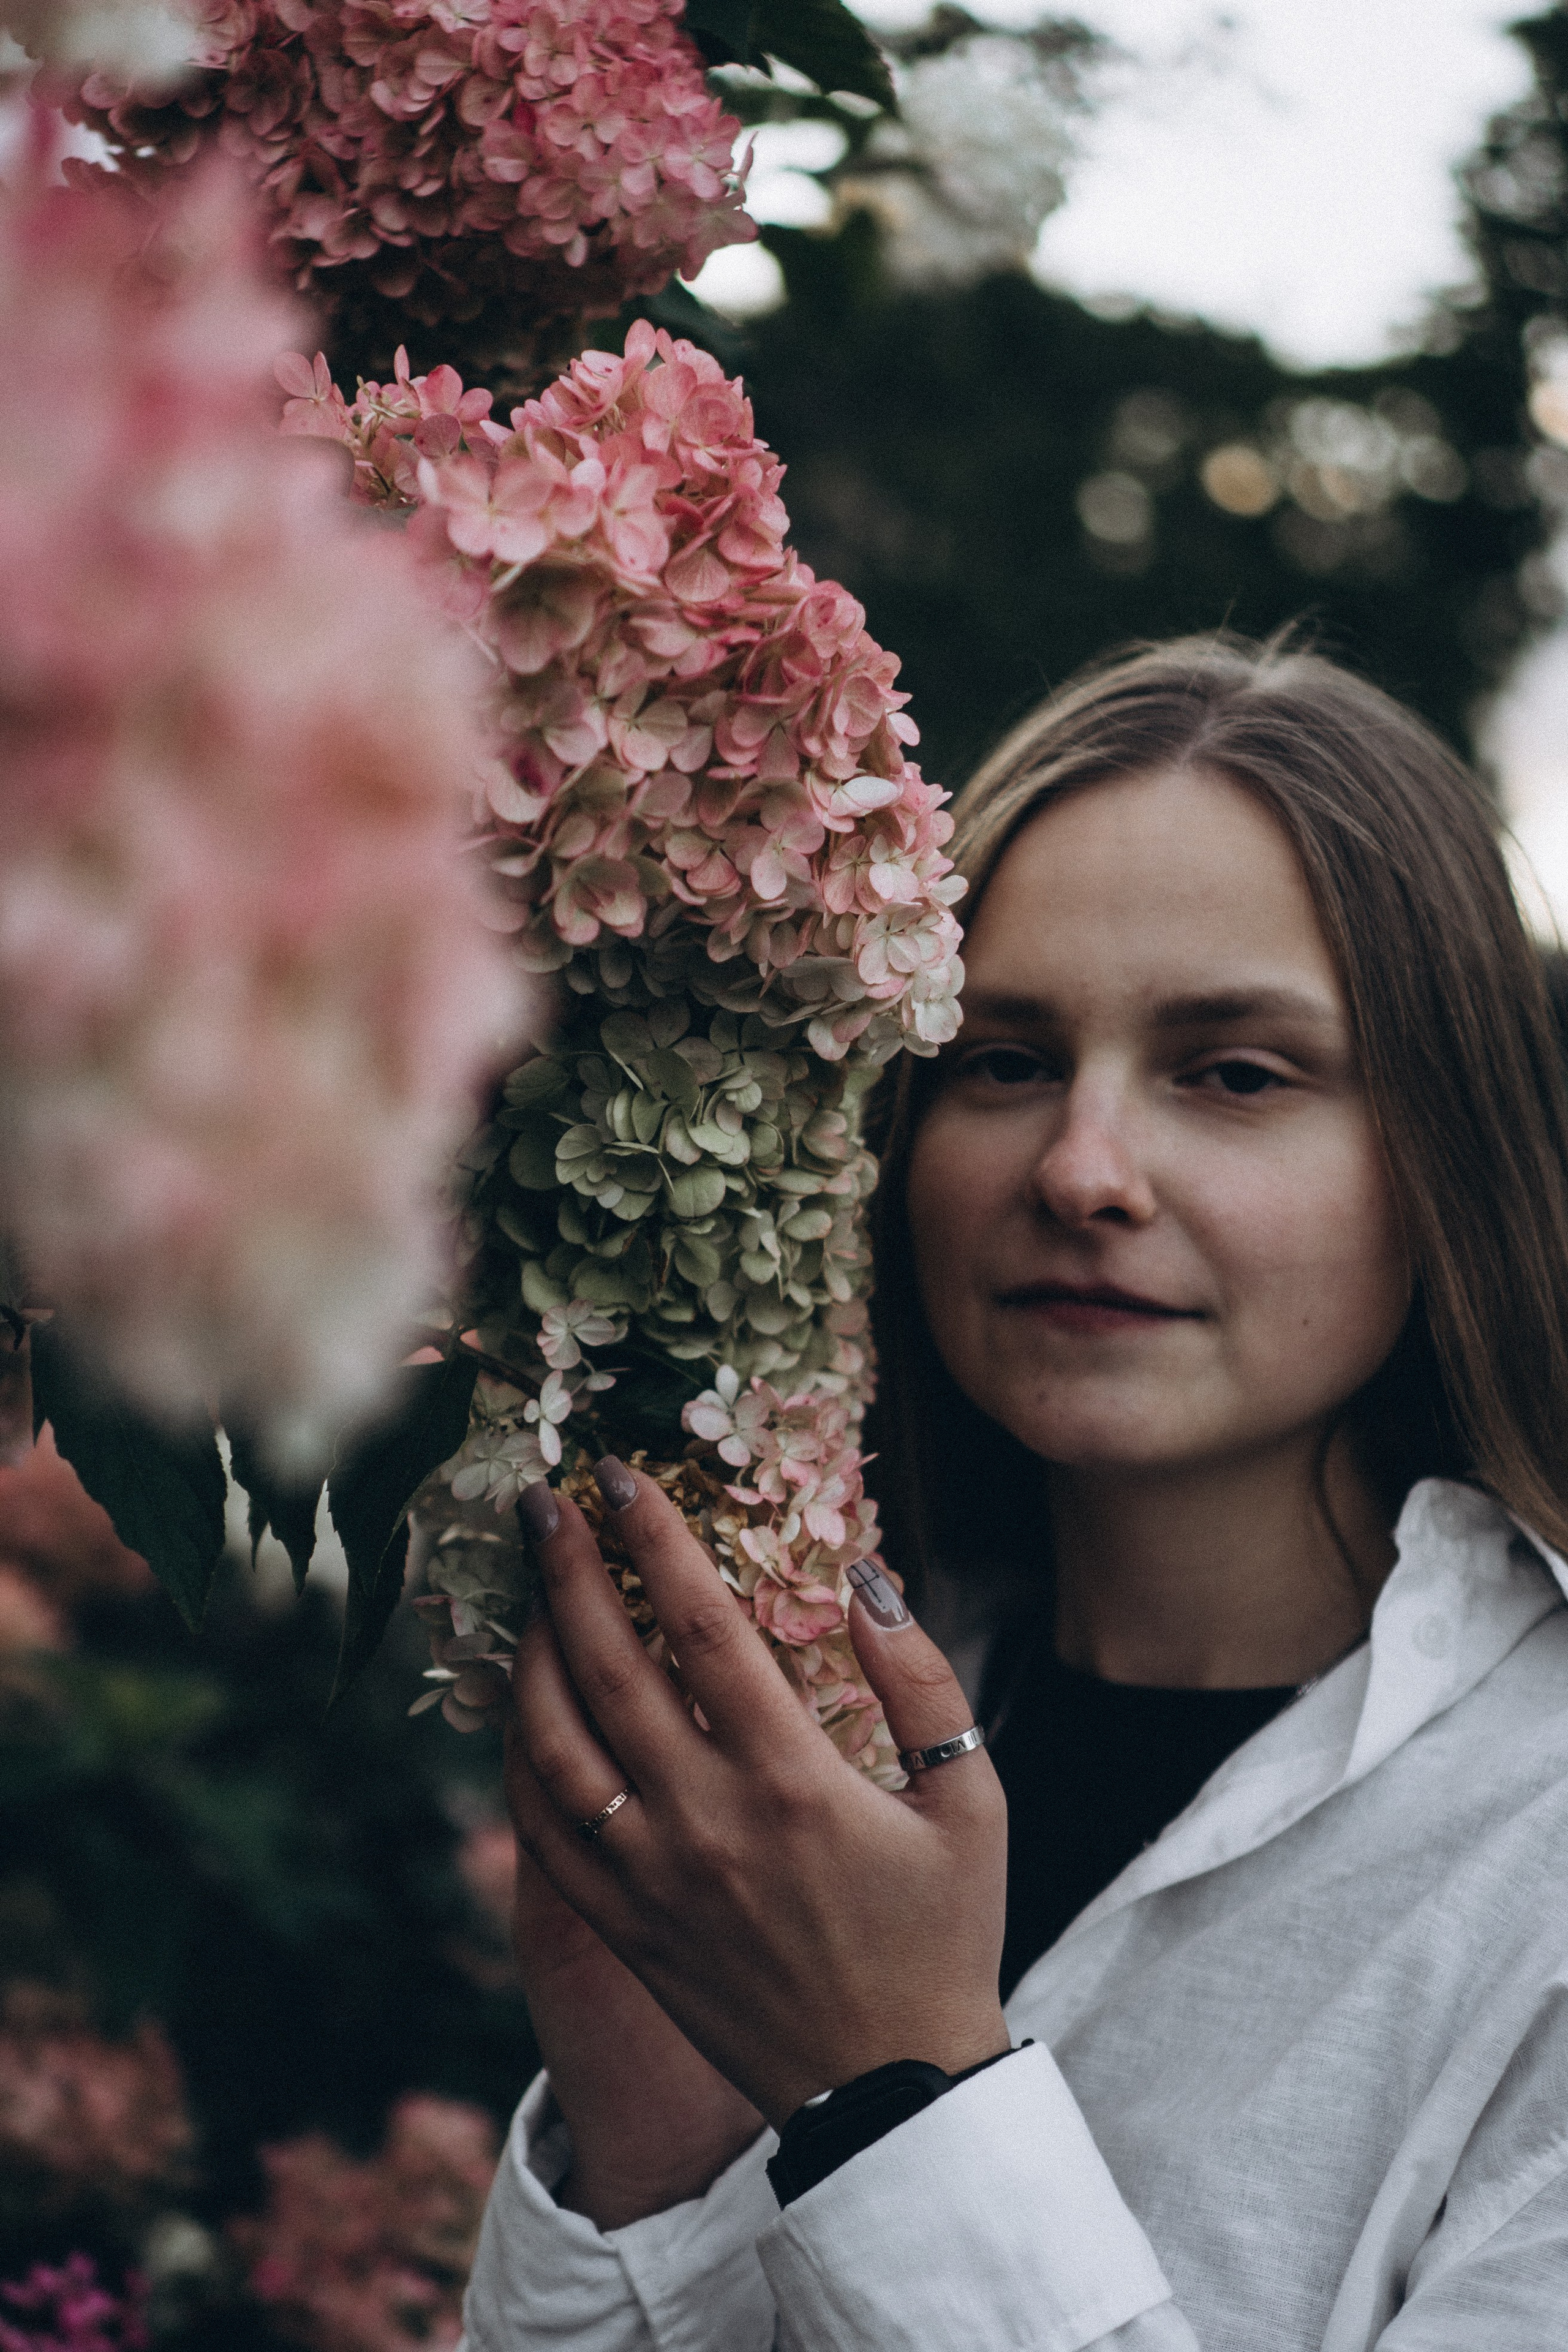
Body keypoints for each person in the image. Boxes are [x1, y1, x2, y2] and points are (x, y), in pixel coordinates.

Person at [461, 635, 1568, 2351]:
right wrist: (653, 2161)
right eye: (1002, 1058)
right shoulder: (781, 1752)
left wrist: (892, 2089)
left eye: (1236, 1071)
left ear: (1450, 1152)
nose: (1083, 1169)